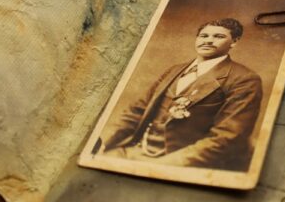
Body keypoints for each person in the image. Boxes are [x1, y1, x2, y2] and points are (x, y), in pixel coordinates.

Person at [99, 18, 263, 171]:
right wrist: (104, 145)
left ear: (234, 42)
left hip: (180, 162)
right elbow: (136, 112)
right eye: (203, 35)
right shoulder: (174, 70)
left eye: (218, 36)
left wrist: (162, 166)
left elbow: (227, 138)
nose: (208, 40)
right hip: (135, 151)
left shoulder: (244, 79)